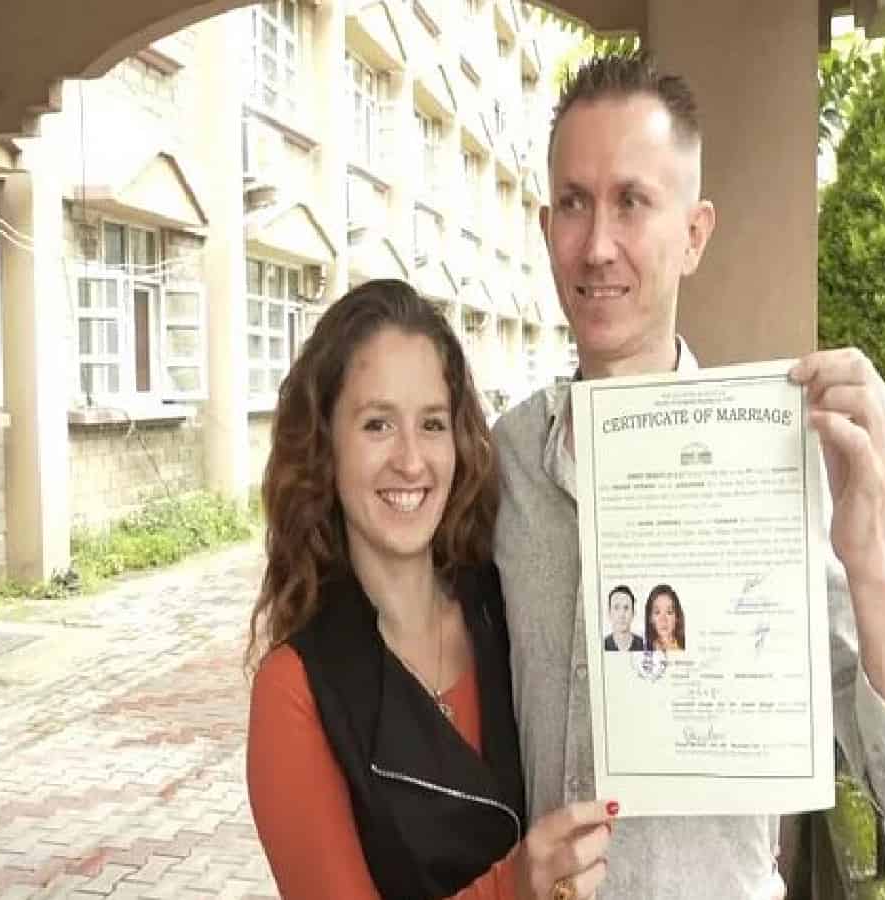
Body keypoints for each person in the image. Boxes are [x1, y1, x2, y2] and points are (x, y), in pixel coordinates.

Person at [492, 53, 885, 898]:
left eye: (632, 201)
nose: (596, 245)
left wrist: (872, 547)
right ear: (545, 225)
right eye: (573, 203)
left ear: (694, 234)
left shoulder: (780, 461)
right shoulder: (506, 461)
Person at [245, 280, 615, 900]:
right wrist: (512, 888)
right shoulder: (296, 691)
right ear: (324, 444)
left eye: (433, 424)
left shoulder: (501, 605)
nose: (412, 461)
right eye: (378, 424)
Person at [644, 584, 684, 652]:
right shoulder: (643, 648)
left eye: (669, 612)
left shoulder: (685, 647)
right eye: (657, 612)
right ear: (650, 618)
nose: (663, 620)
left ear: (676, 617)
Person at [603, 585, 644, 651]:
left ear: (633, 613)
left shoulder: (644, 646)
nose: (621, 614)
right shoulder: (602, 645)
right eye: (616, 608)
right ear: (609, 613)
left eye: (626, 608)